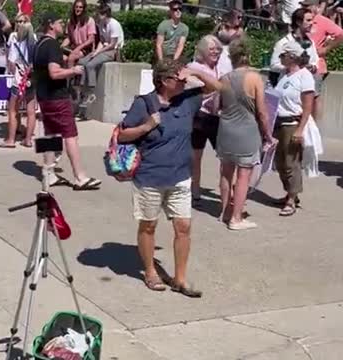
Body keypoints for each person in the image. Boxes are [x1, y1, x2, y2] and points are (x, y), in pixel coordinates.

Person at [117, 59, 221, 297]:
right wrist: (147, 126)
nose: (185, 82)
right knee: (148, 225)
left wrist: (194, 70)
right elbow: (123, 135)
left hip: (181, 177)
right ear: (165, 81)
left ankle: (180, 279)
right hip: (150, 177)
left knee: (183, 227)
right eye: (180, 79)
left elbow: (217, 87)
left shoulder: (187, 99)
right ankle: (151, 272)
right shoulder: (143, 104)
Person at [34, 13, 101, 191]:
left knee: (50, 135)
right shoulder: (53, 45)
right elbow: (54, 73)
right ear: (51, 25)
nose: (63, 25)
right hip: (57, 97)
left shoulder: (39, 44)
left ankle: (48, 173)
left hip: (43, 96)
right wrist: (74, 70)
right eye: (59, 22)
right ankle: (80, 176)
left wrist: (70, 59)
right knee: (70, 135)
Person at [217, 40, 275, 230]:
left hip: (225, 131)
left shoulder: (224, 78)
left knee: (225, 173)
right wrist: (267, 135)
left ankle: (224, 211)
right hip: (247, 132)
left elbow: (215, 106)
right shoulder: (255, 78)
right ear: (248, 56)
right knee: (243, 176)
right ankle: (236, 218)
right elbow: (262, 112)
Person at [273, 41, 315, 217]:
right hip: (279, 122)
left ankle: (292, 198)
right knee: (280, 162)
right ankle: (289, 192)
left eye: (282, 55)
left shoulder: (304, 76)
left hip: (293, 123)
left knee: (291, 163)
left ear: (292, 57)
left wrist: (300, 129)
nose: (280, 58)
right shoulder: (284, 74)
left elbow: (307, 105)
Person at [186, 35, 222, 202]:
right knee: (195, 155)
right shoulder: (194, 66)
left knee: (225, 156)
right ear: (202, 51)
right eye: (211, 49)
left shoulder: (221, 67)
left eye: (218, 49)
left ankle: (226, 191)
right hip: (199, 116)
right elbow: (194, 90)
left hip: (218, 117)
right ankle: (194, 190)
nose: (215, 52)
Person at [0, 14, 37, 148]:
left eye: (22, 22)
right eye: (18, 21)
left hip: (19, 78)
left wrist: (11, 71)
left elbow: (11, 63)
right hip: (31, 78)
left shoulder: (15, 40)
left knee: (13, 109)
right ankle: (28, 139)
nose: (19, 24)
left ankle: (11, 140)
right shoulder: (35, 40)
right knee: (31, 110)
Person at [301, 0, 343, 120]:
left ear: (315, 7)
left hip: (317, 67)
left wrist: (326, 49)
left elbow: (340, 34)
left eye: (307, 6)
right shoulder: (300, 20)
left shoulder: (322, 21)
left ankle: (315, 126)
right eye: (303, 6)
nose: (305, 8)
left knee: (315, 97)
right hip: (302, 66)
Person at [78, 5, 124, 104]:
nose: (96, 16)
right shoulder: (101, 24)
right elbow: (102, 41)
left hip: (113, 51)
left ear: (105, 14)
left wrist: (99, 52)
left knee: (90, 65)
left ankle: (91, 92)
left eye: (98, 14)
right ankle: (82, 89)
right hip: (104, 49)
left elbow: (112, 44)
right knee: (82, 62)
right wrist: (95, 52)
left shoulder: (114, 24)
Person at [270, 9, 319, 83]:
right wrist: (291, 68)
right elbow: (274, 65)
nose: (312, 23)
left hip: (307, 84)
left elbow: (315, 61)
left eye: (312, 20)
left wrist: (312, 67)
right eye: (308, 20)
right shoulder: (284, 42)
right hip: (289, 85)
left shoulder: (310, 42)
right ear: (298, 22)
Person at [62, 0, 96, 68]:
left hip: (85, 49)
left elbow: (91, 39)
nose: (78, 9)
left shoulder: (89, 20)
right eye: (76, 7)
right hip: (74, 47)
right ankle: (65, 77)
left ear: (84, 9)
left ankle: (71, 77)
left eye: (80, 7)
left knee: (71, 57)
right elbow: (69, 38)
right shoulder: (70, 21)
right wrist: (62, 45)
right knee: (63, 58)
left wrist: (79, 48)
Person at [215, 9, 245, 76]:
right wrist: (236, 34)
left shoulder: (240, 29)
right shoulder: (222, 26)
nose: (240, 19)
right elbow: (223, 36)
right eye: (238, 17)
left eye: (242, 18)